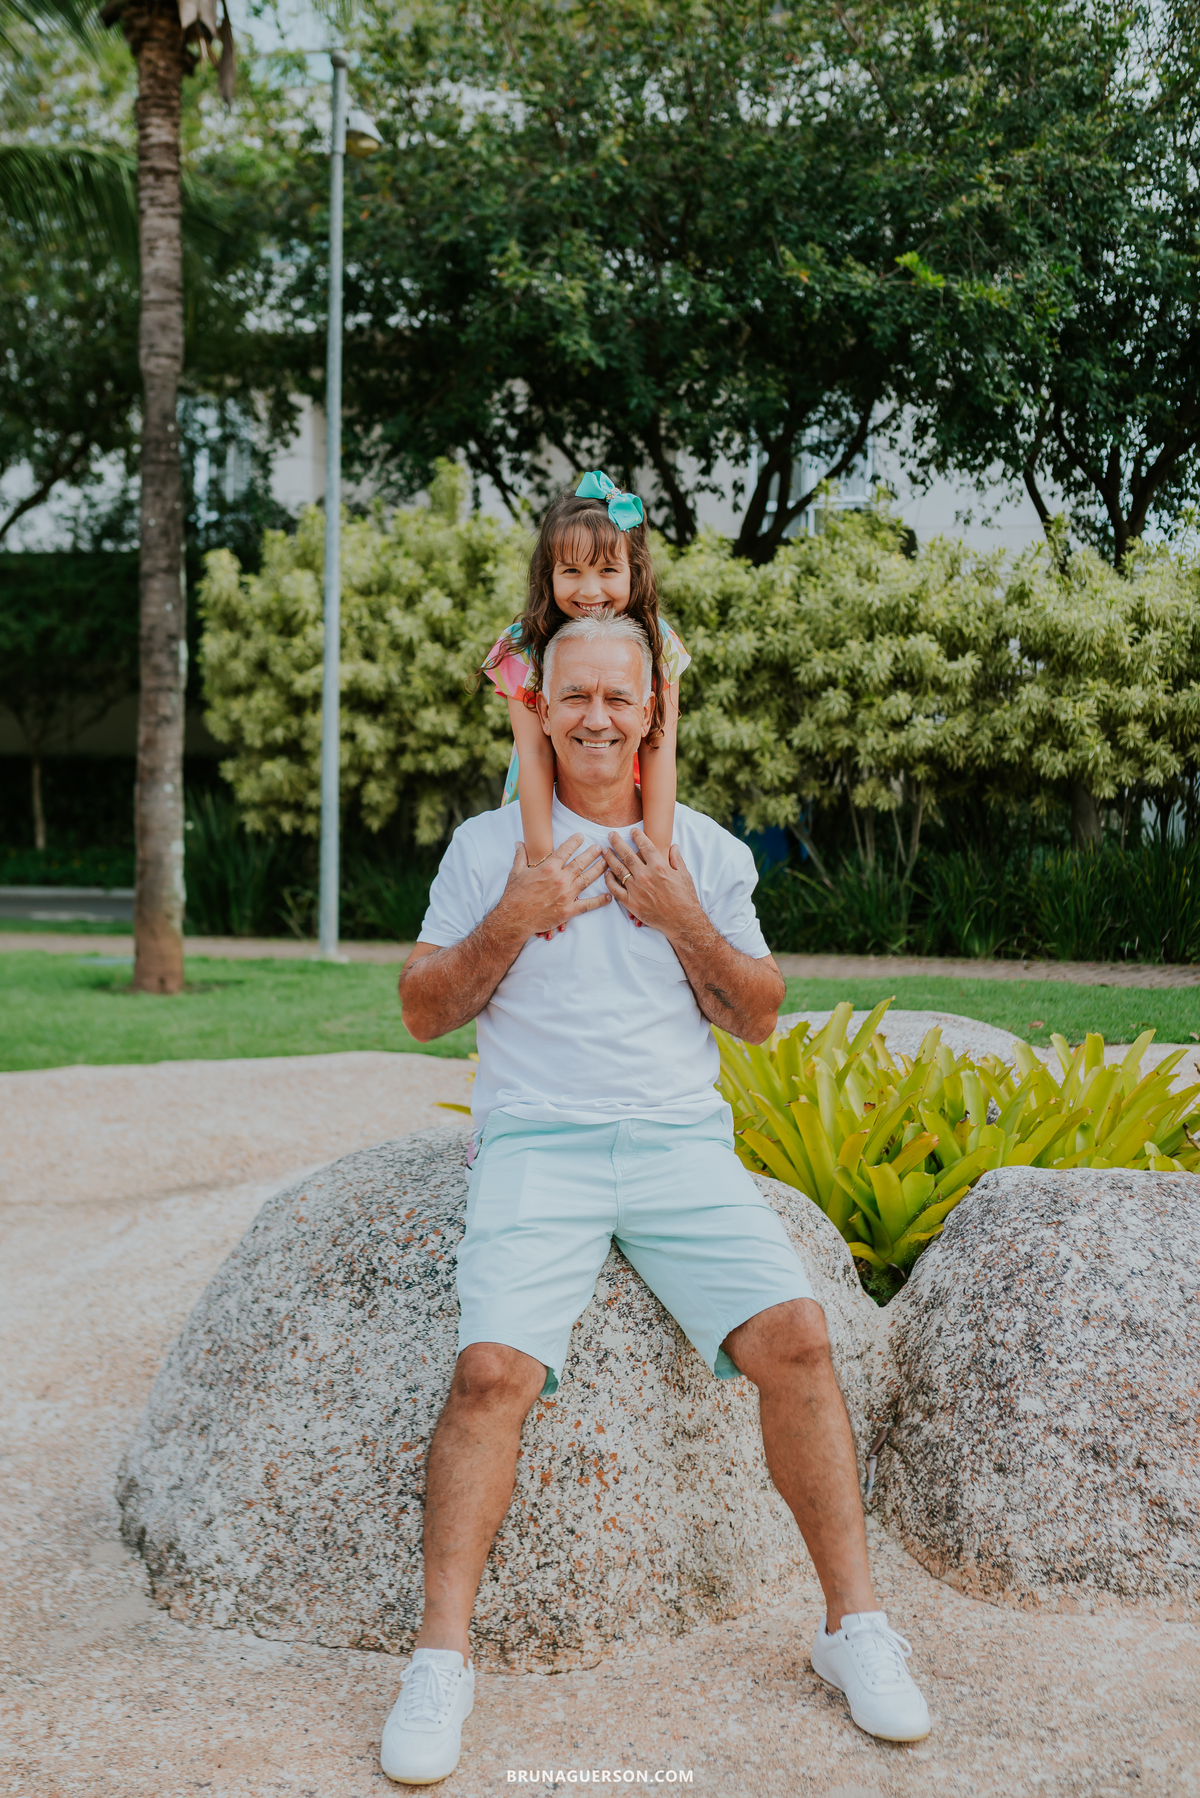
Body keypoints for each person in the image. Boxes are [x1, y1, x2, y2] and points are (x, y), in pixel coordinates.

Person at [382, 615, 930, 1785]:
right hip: (539, 1141)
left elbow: (757, 1010)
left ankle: (855, 1628)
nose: (595, 717)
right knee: (490, 1373)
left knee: (799, 1338)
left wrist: (684, 917)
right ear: (542, 707)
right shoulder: (492, 848)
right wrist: (515, 916)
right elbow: (424, 1006)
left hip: (680, 1146)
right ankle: (440, 1658)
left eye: (617, 699)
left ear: (651, 712)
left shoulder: (707, 851)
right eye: (572, 695)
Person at [481, 469, 688, 861]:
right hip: (542, 814)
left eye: (608, 570)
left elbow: (659, 747)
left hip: (626, 810)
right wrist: (543, 862)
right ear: (550, 574)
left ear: (634, 572)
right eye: (572, 571)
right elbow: (536, 754)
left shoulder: (660, 646)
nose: (590, 590)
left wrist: (655, 856)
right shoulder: (523, 648)